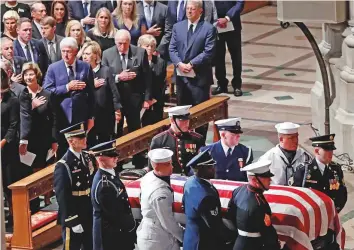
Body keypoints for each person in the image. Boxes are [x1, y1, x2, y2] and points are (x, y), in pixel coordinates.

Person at [102, 29, 151, 168]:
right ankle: (118, 161)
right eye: (119, 44)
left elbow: (147, 77)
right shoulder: (107, 54)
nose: (122, 47)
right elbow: (105, 77)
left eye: (125, 44)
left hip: (134, 100)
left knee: (135, 129)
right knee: (116, 132)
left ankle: (138, 158)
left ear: (130, 42)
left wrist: (147, 98)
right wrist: (118, 77)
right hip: (116, 100)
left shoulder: (140, 53)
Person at [169, 0, 217, 141]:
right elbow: (172, 49)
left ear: (200, 11)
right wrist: (178, 63)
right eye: (187, 8)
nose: (189, 11)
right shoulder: (178, 27)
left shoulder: (208, 29)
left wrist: (191, 64)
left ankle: (200, 145)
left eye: (192, 9)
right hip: (182, 79)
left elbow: (208, 52)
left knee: (200, 114)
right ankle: (184, 143)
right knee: (182, 113)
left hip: (199, 79)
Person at [43, 37, 95, 158]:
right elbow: (47, 90)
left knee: (81, 149)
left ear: (76, 52)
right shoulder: (53, 68)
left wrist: (91, 117)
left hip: (80, 116)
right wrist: (67, 87)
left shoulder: (85, 67)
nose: (65, 55)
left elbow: (91, 94)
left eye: (69, 51)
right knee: (64, 151)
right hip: (61, 116)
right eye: (63, 51)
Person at [54, 122, 94, 250]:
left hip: (88, 209)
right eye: (80, 138)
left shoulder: (87, 157)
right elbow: (62, 196)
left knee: (90, 244)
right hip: (74, 211)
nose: (84, 140)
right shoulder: (64, 165)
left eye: (84, 137)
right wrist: (72, 219)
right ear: (71, 141)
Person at [183, 149, 234, 250]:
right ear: (201, 169)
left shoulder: (190, 182)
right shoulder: (206, 196)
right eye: (210, 167)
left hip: (191, 238)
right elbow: (214, 224)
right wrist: (231, 237)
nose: (214, 169)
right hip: (203, 242)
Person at [90, 140, 136, 250]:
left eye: (115, 155)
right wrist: (132, 227)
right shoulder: (104, 185)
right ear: (100, 158)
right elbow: (115, 215)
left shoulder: (109, 175)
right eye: (111, 156)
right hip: (112, 238)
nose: (116, 158)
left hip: (116, 233)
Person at [228, 160, 281, 250]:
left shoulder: (239, 190)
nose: (270, 179)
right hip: (254, 245)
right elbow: (267, 232)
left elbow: (231, 213)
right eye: (266, 177)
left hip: (239, 243)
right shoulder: (257, 205)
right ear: (254, 180)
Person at [137, 148, 184, 250]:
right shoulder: (159, 192)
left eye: (171, 163)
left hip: (150, 231)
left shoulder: (148, 177)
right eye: (167, 164)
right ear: (157, 166)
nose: (172, 167)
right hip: (158, 240)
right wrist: (184, 237)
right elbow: (167, 222)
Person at [291, 134, 347, 213]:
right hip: (310, 216)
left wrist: (334, 212)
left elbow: (342, 194)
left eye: (331, 150)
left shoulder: (336, 169)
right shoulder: (304, 170)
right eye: (327, 150)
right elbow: (295, 196)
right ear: (317, 151)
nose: (330, 153)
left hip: (330, 214)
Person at [81, 41, 122, 146]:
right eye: (84, 54)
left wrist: (117, 110)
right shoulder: (80, 72)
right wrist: (91, 84)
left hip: (105, 114)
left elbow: (114, 92)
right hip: (89, 116)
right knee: (90, 143)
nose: (85, 57)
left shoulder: (106, 70)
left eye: (88, 54)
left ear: (96, 56)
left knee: (106, 141)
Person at [20, 62, 57, 170]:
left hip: (44, 140)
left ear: (37, 75)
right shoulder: (22, 94)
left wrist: (54, 141)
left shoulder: (47, 94)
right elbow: (20, 116)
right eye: (25, 75)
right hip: (28, 141)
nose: (28, 77)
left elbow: (54, 119)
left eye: (31, 74)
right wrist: (31, 106)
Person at [149, 105, 205, 175]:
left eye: (187, 120)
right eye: (183, 120)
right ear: (172, 120)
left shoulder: (197, 139)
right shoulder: (159, 140)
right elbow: (152, 168)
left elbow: (203, 164)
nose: (187, 123)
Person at [212, 0, 244, 97]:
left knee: (236, 56)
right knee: (218, 56)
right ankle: (221, 83)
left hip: (232, 24)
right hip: (216, 24)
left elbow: (240, 3)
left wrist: (227, 18)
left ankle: (237, 85)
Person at [0, 68, 20, 213]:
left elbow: (14, 125)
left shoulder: (12, 99)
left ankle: (14, 215)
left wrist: (3, 142)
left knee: (8, 182)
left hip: (7, 148)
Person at [138, 34, 167, 126]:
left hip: (156, 100)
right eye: (147, 46)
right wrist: (144, 100)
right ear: (140, 46)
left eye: (152, 46)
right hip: (140, 101)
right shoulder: (136, 61)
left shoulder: (160, 62)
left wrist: (153, 99)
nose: (150, 48)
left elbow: (161, 83)